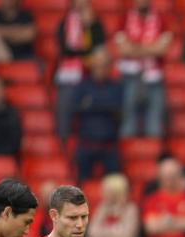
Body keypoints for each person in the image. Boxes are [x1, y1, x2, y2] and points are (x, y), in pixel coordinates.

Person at [114, 0, 172, 138]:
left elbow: (162, 50)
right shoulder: (124, 19)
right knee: (128, 117)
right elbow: (123, 50)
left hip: (154, 76)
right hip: (130, 75)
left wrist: (135, 48)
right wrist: (151, 48)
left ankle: (153, 153)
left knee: (155, 119)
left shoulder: (161, 19)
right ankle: (129, 155)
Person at [54, 0, 106, 143]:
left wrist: (89, 27)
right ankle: (63, 142)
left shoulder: (95, 24)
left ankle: (90, 140)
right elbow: (65, 50)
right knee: (64, 104)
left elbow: (99, 46)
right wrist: (83, 51)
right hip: (68, 76)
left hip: (90, 75)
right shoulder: (65, 22)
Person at [72, 48, 123, 181]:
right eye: (98, 65)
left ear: (110, 66)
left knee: (115, 184)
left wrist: (91, 105)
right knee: (80, 188)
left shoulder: (116, 86)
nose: (101, 69)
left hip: (109, 145)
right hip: (86, 144)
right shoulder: (82, 86)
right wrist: (105, 106)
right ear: (92, 65)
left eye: (105, 65)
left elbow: (117, 108)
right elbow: (76, 108)